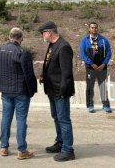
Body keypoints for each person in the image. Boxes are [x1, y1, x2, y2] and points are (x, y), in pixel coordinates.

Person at [0, 27, 38, 159]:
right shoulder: (23, 52)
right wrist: (32, 90)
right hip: (21, 91)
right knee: (21, 119)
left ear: (9, 37)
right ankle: (22, 150)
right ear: (21, 38)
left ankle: (4, 147)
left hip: (5, 91)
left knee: (6, 118)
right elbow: (29, 74)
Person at [38, 21, 76, 162]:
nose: (42, 35)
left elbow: (66, 73)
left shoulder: (64, 47)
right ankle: (60, 142)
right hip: (52, 89)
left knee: (63, 119)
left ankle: (68, 150)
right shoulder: (53, 44)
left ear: (50, 32)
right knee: (57, 117)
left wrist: (62, 91)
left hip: (60, 91)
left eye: (43, 33)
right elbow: (51, 64)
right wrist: (44, 76)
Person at [79, 21, 112, 113]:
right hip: (90, 68)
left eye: (95, 27)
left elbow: (109, 53)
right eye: (92, 27)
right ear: (89, 29)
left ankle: (106, 105)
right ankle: (90, 105)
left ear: (98, 28)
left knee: (103, 87)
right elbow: (83, 54)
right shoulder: (85, 40)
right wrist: (91, 63)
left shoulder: (104, 40)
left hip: (102, 67)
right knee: (90, 87)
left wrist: (104, 64)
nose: (94, 29)